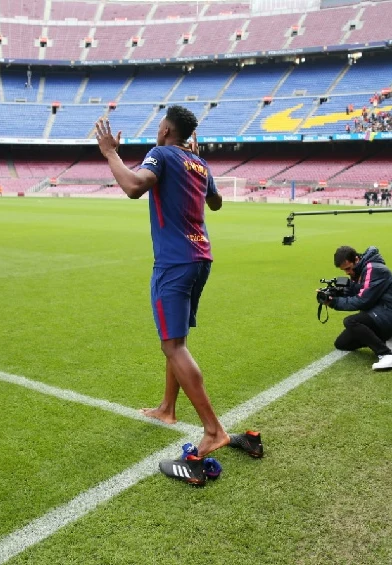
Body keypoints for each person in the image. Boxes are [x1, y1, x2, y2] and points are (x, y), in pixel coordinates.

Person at [94, 105, 230, 456]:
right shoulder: (198, 162)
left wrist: (110, 153)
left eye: (159, 125)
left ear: (167, 130)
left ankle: (213, 431)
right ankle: (167, 409)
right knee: (177, 338)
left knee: (173, 346)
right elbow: (215, 203)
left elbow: (133, 186)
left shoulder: (161, 153)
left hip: (174, 262)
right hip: (201, 258)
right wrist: (197, 167)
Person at [322, 245, 392, 370]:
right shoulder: (362, 269)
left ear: (356, 259)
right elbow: (361, 290)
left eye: (348, 268)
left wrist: (335, 303)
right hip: (379, 311)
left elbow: (363, 301)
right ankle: (388, 335)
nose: (347, 272)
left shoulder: (373, 268)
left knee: (350, 321)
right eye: (344, 271)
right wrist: (336, 292)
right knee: (342, 344)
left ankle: (387, 354)